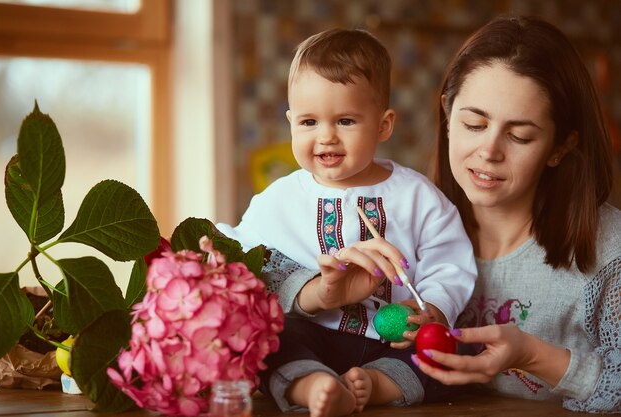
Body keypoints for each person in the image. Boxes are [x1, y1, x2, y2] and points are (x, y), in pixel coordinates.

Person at [264, 15, 621, 413]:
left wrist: (532, 355)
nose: (489, 151)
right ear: (448, 117)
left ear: (559, 147)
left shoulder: (609, 251)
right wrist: (317, 292)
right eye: (474, 123)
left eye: (520, 136)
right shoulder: (413, 216)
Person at [217, 28, 477, 417]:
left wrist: (434, 309)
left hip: (394, 344)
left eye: (345, 121)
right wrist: (314, 292)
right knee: (270, 339)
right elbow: (245, 258)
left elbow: (450, 261)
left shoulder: (417, 196)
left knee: (456, 350)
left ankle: (375, 384)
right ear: (290, 122)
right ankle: (312, 384)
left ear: (383, 125)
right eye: (308, 122)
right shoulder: (278, 201)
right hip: (312, 334)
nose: (326, 137)